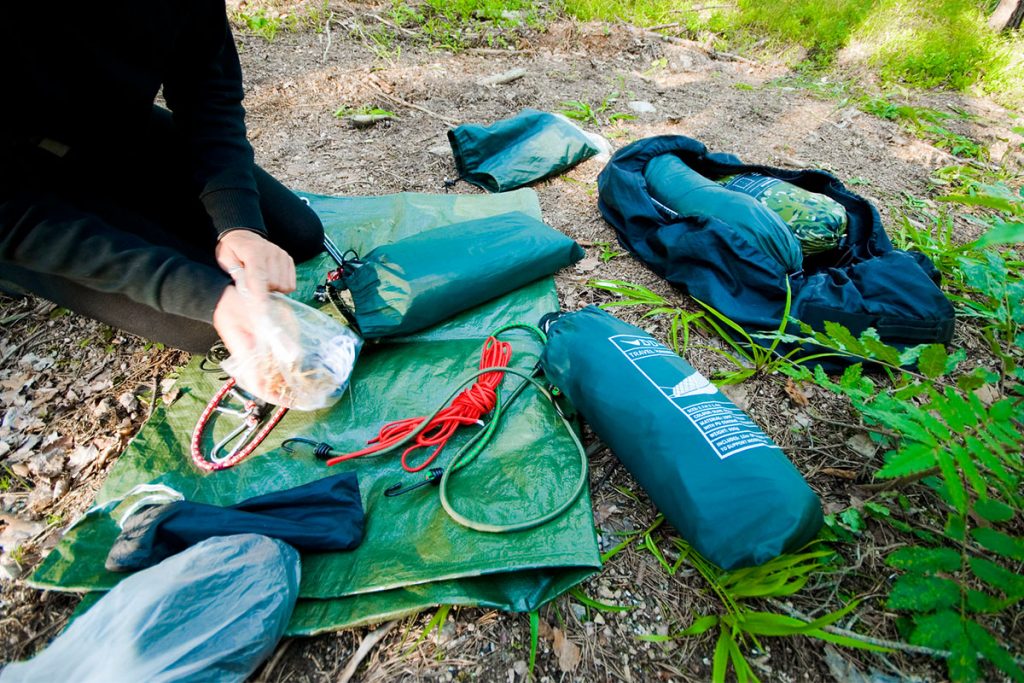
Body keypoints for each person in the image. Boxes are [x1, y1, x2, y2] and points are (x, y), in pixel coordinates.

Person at [0, 1, 324, 357]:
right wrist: (208, 297)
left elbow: (208, 88)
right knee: (217, 326)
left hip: (116, 133)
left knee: (298, 235)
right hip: (21, 193)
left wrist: (239, 225)